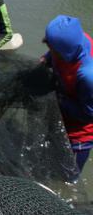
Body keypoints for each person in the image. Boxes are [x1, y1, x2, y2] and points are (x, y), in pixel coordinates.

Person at [42, 15, 93, 177]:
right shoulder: (76, 39)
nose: (50, 49)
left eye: (52, 49)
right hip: (61, 116)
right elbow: (55, 50)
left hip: (79, 137)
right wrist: (46, 59)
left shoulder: (87, 75)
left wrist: (59, 99)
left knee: (67, 178)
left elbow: (89, 114)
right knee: (48, 160)